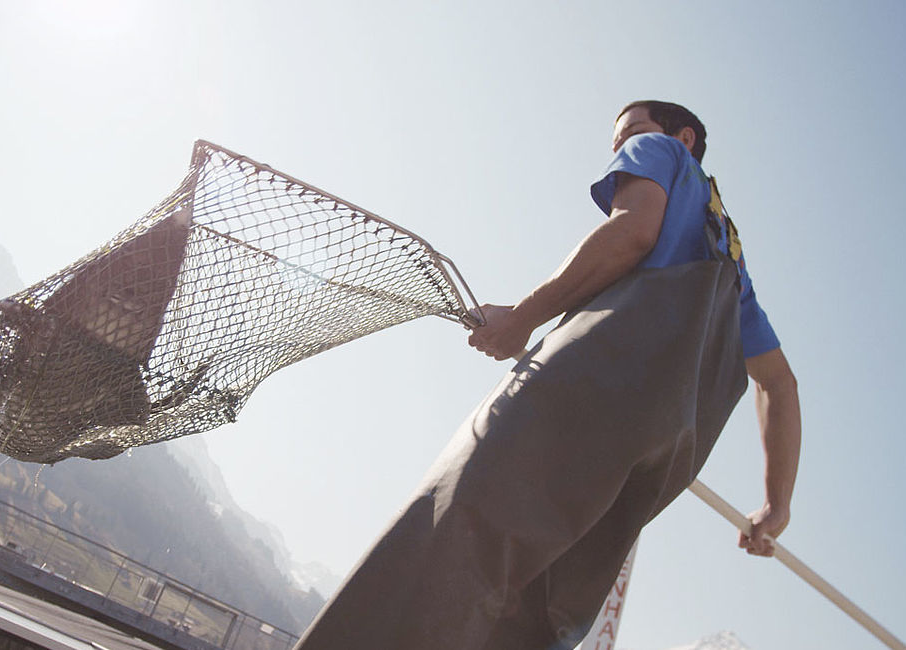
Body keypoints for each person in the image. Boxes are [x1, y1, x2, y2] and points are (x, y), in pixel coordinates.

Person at [292, 100, 801, 650]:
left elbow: (633, 232)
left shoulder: (661, 155)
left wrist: (522, 318)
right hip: (664, 454)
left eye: (629, 134)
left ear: (681, 138)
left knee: (453, 537)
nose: (621, 152)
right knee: (538, 616)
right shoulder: (732, 265)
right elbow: (778, 385)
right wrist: (776, 506)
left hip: (597, 381)